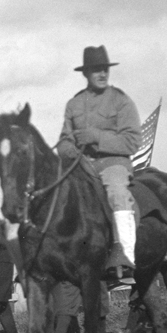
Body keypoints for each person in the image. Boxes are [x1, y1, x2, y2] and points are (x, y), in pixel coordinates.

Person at [55, 46, 143, 286]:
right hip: (82, 164)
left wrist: (96, 136)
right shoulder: (74, 104)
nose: (102, 74)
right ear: (86, 73)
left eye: (104, 69)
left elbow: (133, 142)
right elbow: (64, 138)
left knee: (116, 192)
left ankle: (125, 259)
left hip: (114, 164)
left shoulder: (121, 101)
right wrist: (68, 149)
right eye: (96, 70)